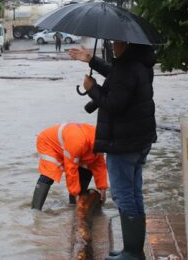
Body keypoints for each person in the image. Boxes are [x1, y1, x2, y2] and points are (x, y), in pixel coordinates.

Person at [69, 41, 156, 260]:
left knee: (123, 195)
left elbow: (114, 103)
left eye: (115, 42)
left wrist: (92, 90)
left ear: (127, 44)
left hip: (123, 143)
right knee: (134, 193)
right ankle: (134, 249)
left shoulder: (128, 68)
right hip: (138, 140)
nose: (113, 45)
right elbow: (116, 75)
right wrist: (91, 60)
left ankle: (132, 252)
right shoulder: (140, 64)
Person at [30, 123, 108, 210]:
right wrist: (75, 193)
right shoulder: (78, 142)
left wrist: (103, 189)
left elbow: (99, 165)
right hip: (49, 143)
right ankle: (35, 210)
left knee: (87, 168)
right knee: (49, 174)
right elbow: (71, 169)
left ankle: (74, 206)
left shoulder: (100, 140)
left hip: (74, 144)